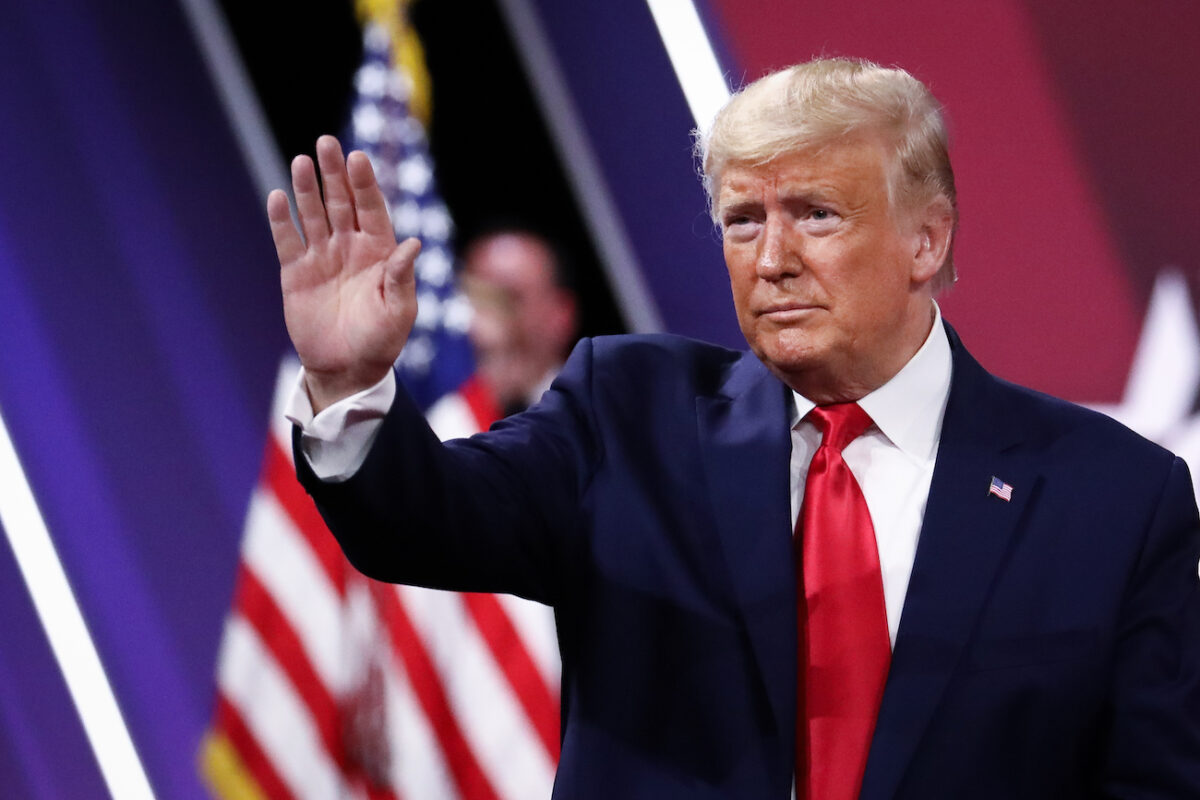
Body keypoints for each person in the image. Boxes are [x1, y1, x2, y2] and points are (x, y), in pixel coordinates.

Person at [268, 58, 1200, 799]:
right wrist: (349, 382)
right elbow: (423, 517)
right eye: (743, 220)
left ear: (927, 239)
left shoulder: (1113, 498)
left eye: (816, 215)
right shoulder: (627, 415)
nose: (773, 259)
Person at [459, 227, 578, 417]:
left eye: (510, 298)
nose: (489, 323)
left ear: (561, 314)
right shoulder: (446, 417)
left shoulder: (596, 415)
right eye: (477, 299)